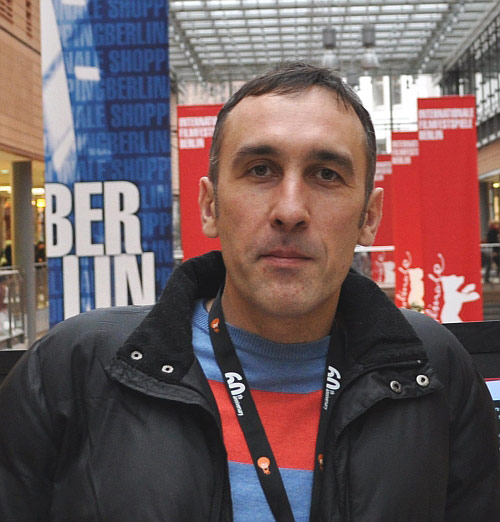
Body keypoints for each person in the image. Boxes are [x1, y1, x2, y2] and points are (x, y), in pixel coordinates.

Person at [0, 63, 499, 522]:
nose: (290, 210)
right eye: (260, 169)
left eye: (326, 174)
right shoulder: (75, 369)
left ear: (369, 217)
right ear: (210, 206)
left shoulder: (436, 370)